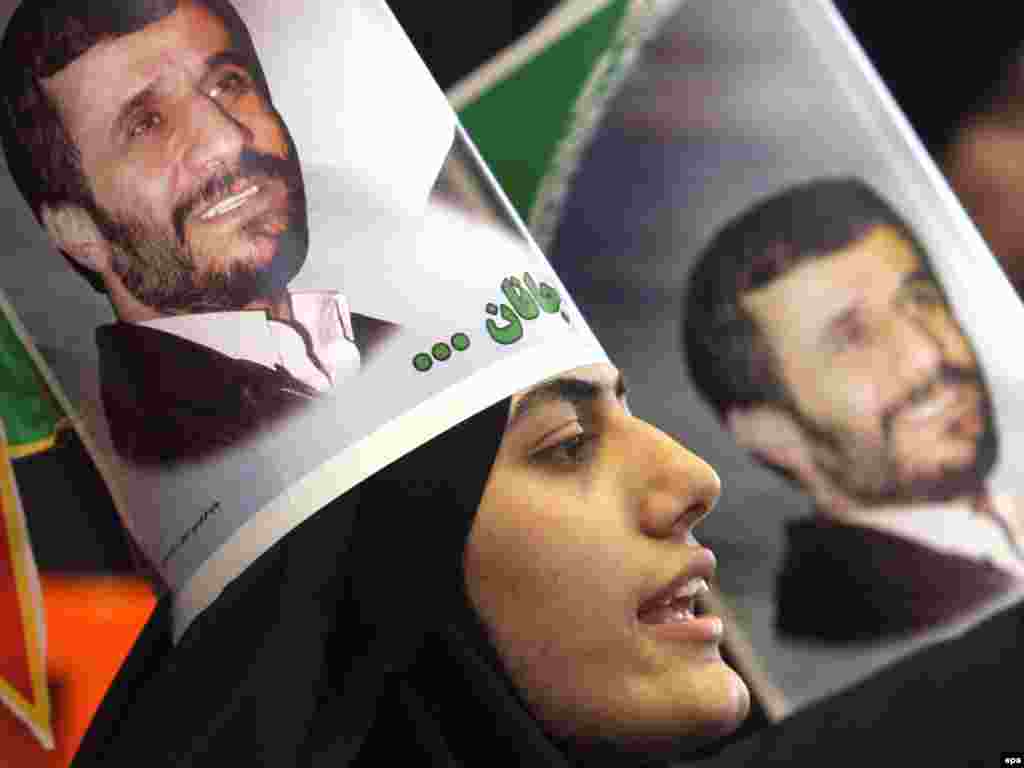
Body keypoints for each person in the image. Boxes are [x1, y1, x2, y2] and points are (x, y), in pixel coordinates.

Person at [0, 0, 396, 466]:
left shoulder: (390, 343)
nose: (226, 138)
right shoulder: (146, 465)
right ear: (76, 230)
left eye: (227, 83)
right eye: (146, 124)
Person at [683, 177, 1024, 644]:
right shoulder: (850, 629)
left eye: (921, 300)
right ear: (770, 431)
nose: (929, 354)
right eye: (852, 338)